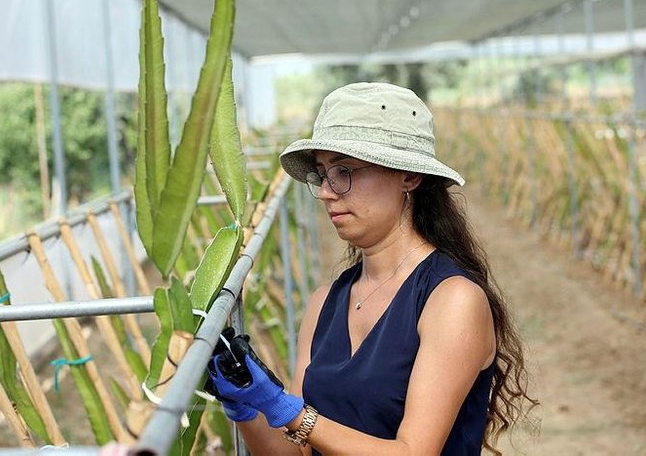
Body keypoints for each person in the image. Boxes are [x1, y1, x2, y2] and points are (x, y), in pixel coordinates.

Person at [207, 82, 536, 455]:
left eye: (344, 170)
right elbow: (296, 451)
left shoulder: (452, 301)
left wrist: (290, 412)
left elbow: (414, 451)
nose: (328, 191)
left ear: (409, 176)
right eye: (323, 173)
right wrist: (247, 407)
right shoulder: (323, 305)